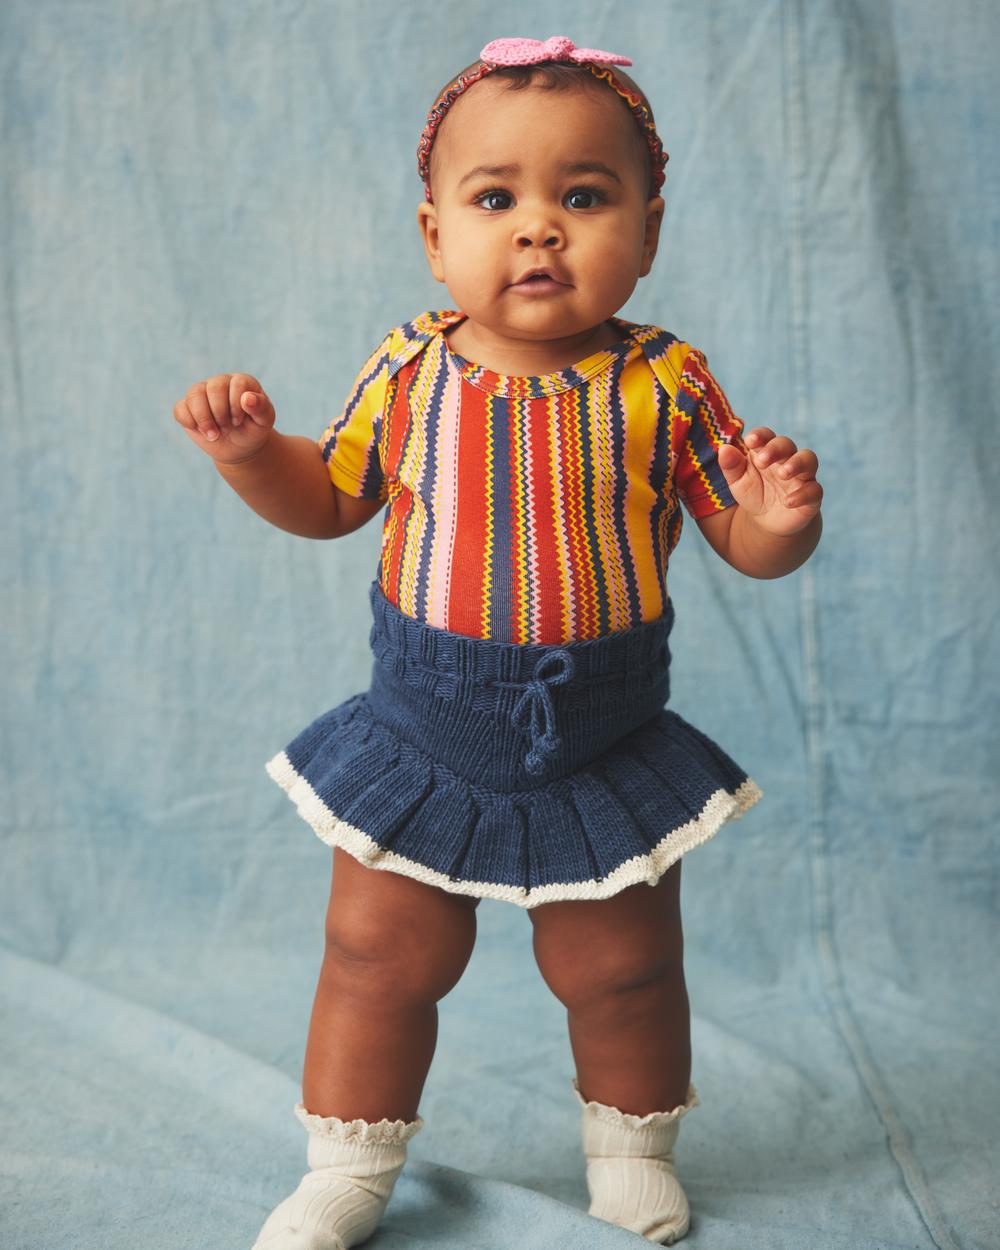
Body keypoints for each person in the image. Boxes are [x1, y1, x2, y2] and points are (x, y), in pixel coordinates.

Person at [173, 33, 823, 1249]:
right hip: (424, 721)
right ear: (433, 234)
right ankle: (347, 1166)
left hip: (605, 730)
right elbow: (333, 500)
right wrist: (257, 456)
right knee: (376, 954)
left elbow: (737, 537)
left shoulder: (668, 381)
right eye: (496, 199)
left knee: (621, 964)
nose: (540, 229)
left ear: (650, 226)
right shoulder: (409, 369)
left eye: (584, 196)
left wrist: (779, 520)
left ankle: (630, 1144)